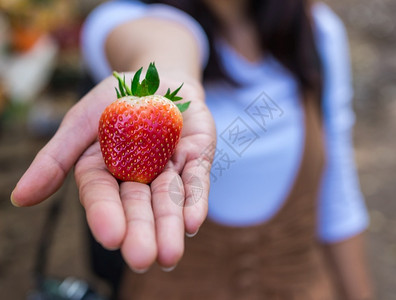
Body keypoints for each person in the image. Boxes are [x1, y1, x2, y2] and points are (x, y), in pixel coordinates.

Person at [12, 0, 374, 299]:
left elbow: (336, 196)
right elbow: (162, 37)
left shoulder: (317, 33)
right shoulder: (122, 16)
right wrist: (168, 73)